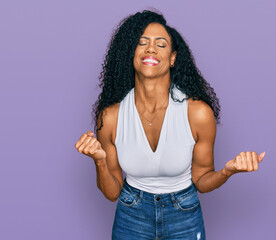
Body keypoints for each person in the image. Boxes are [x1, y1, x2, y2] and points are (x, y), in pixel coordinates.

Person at [75, 9, 266, 240]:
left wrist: (228, 171)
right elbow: (112, 192)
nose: (151, 48)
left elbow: (202, 181)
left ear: (173, 57)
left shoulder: (198, 114)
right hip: (130, 213)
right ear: (130, 52)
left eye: (161, 44)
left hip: (184, 213)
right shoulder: (111, 117)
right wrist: (100, 161)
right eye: (141, 42)